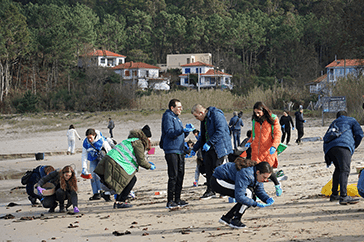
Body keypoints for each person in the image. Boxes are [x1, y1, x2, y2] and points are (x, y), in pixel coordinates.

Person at [95, 125, 155, 209]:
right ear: (145, 137)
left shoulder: (129, 140)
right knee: (131, 180)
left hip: (109, 161)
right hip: (116, 163)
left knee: (123, 181)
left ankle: (118, 201)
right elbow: (141, 160)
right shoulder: (138, 143)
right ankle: (120, 201)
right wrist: (149, 166)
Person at [211, 158, 274, 229]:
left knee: (251, 197)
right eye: (264, 177)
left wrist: (267, 199)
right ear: (258, 172)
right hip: (218, 181)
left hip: (228, 179)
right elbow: (239, 196)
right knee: (248, 194)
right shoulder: (246, 173)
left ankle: (227, 218)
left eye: (267, 178)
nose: (265, 180)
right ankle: (236, 220)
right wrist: (255, 204)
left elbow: (259, 190)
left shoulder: (258, 175)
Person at [191, 104, 233, 199]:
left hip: (220, 147)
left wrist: (209, 143)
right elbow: (202, 136)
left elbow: (221, 131)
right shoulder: (204, 120)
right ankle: (210, 190)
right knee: (208, 169)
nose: (196, 118)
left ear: (201, 112)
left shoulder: (216, 115)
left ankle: (225, 190)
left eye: (196, 116)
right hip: (209, 149)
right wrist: (194, 148)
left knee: (220, 169)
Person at [324, 111, 363, 205]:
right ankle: (343, 196)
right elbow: (360, 134)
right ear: (347, 115)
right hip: (343, 146)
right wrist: (353, 146)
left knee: (338, 168)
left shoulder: (334, 123)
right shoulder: (351, 120)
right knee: (345, 170)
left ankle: (334, 195)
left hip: (329, 148)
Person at [161, 99, 194, 209]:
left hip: (180, 150)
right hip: (171, 150)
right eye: (178, 107)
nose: (181, 109)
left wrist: (186, 132)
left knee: (181, 175)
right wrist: (182, 130)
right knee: (173, 175)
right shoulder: (168, 117)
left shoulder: (177, 118)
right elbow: (170, 133)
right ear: (172, 107)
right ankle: (170, 201)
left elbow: (179, 136)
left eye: (181, 107)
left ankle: (177, 199)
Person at [244, 101, 283, 196]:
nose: (257, 115)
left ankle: (277, 185)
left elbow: (278, 134)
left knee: (268, 170)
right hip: (256, 150)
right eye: (255, 112)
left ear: (263, 110)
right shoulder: (255, 120)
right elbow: (253, 135)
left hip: (268, 149)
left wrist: (274, 146)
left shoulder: (273, 119)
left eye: (258, 112)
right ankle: (258, 193)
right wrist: (249, 142)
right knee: (257, 172)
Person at [81, 128, 112, 201]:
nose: (89, 139)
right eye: (88, 138)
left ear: (94, 135)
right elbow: (84, 155)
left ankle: (102, 191)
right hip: (92, 159)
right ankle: (95, 193)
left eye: (90, 137)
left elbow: (109, 150)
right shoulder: (85, 143)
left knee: (99, 176)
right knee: (92, 176)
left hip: (101, 159)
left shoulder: (101, 141)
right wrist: (84, 167)